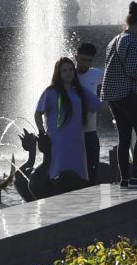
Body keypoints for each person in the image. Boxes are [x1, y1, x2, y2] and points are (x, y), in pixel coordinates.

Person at [100, 3, 137, 186]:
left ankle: (125, 178)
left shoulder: (115, 39)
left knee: (124, 137)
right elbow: (132, 70)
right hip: (127, 94)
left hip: (112, 95)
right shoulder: (131, 40)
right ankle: (136, 176)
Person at [34, 56, 99, 191]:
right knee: (57, 176)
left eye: (70, 69)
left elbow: (99, 104)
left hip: (77, 142)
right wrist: (41, 133)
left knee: (79, 177)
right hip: (58, 142)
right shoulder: (51, 92)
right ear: (58, 73)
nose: (68, 73)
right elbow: (38, 113)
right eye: (64, 70)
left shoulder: (80, 92)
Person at [75, 41, 105, 181]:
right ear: (76, 57)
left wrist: (104, 101)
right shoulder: (69, 74)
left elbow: (113, 81)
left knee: (93, 171)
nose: (85, 63)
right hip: (72, 133)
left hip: (90, 132)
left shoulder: (96, 74)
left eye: (89, 61)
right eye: (82, 60)